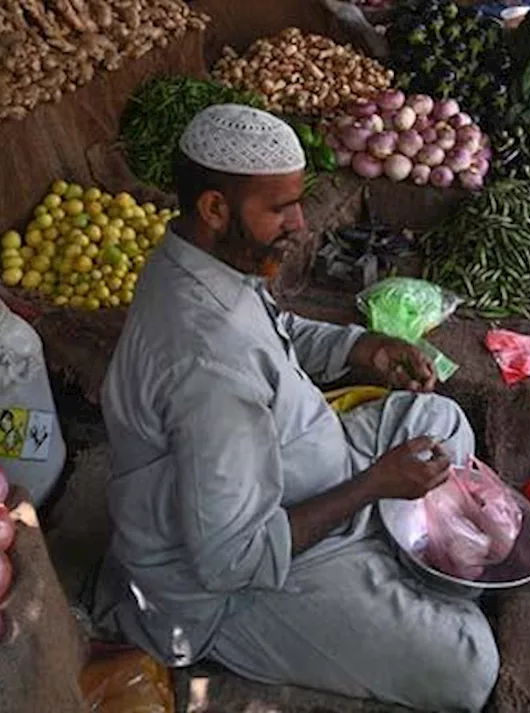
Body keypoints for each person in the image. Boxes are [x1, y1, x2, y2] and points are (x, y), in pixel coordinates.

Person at [89, 104, 498, 712]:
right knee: (469, 665)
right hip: (242, 580)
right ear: (214, 208)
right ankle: (379, 562)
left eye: (297, 202)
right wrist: (373, 486)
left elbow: (275, 327)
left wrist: (365, 346)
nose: (301, 223)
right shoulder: (207, 368)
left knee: (443, 421)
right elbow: (233, 559)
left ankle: (389, 545)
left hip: (302, 464)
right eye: (280, 208)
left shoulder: (196, 259)